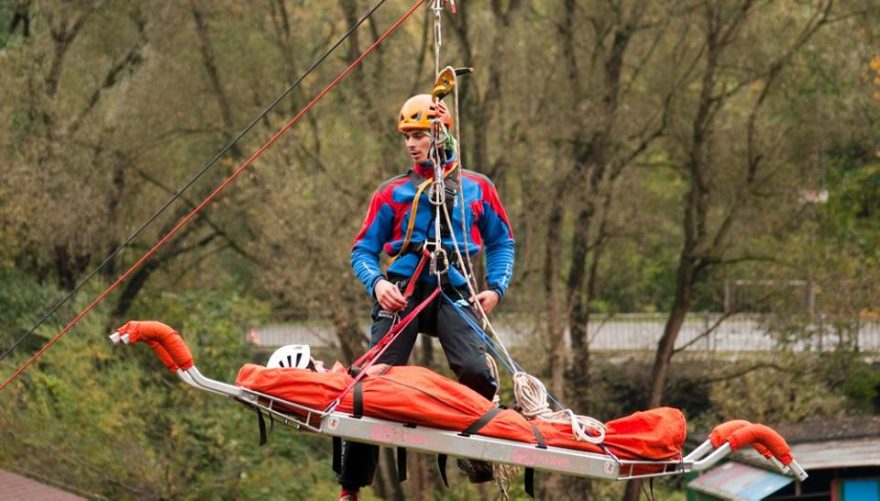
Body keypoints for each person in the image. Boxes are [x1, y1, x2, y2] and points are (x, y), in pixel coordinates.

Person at [337, 94, 515, 501]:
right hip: (404, 291)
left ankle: (476, 455)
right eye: (406, 137)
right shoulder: (392, 193)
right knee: (373, 382)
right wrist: (378, 284)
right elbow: (362, 250)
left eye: (418, 135)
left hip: (454, 290)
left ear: (440, 134)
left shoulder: (476, 188)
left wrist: (495, 287)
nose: (411, 144)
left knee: (476, 369)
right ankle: (350, 485)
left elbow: (501, 241)